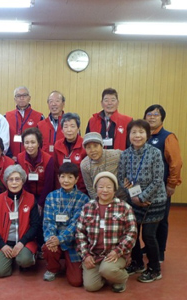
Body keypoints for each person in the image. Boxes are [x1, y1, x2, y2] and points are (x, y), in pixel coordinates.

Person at [118, 119, 167, 283]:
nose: (137, 135)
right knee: (133, 234)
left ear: (147, 134)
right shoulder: (125, 154)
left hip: (154, 201)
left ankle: (154, 269)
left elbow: (158, 180)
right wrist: (134, 197)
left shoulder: (155, 153)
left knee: (148, 235)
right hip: (134, 199)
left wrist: (143, 198)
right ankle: (137, 263)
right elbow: (122, 178)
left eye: (141, 132)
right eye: (133, 132)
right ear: (129, 134)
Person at [76, 172, 137, 293]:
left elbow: (132, 233)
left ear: (114, 189)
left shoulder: (124, 207)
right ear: (95, 189)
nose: (105, 190)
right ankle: (106, 274)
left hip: (115, 254)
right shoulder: (87, 207)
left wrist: (117, 251)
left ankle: (121, 278)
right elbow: (79, 233)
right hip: (94, 255)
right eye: (101, 187)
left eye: (109, 187)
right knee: (91, 286)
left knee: (107, 269)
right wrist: (85, 255)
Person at [144, 104, 182, 262]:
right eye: (149, 114)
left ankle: (160, 251)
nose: (152, 117)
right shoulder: (142, 135)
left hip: (161, 188)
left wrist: (172, 184)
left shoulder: (168, 137)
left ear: (162, 118)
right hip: (144, 188)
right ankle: (148, 246)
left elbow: (176, 162)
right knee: (146, 219)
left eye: (156, 114)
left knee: (161, 219)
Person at [42, 163, 89, 286]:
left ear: (77, 179)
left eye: (70, 177)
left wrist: (60, 239)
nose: (66, 180)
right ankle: (53, 268)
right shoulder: (51, 196)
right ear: (58, 178)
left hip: (73, 242)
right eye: (62, 177)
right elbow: (48, 221)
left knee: (76, 281)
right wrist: (51, 239)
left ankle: (70, 264)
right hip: (55, 240)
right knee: (48, 247)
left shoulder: (83, 199)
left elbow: (76, 225)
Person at [0, 165, 39, 278]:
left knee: (25, 260)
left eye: (17, 179)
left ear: (22, 181)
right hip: (4, 242)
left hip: (24, 241)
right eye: (11, 180)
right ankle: (9, 260)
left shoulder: (31, 199)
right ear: (6, 182)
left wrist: (22, 242)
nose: (14, 183)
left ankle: (22, 258)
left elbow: (35, 225)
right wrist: (2, 245)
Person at [17, 127, 55, 208]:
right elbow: (23, 182)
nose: (30, 146)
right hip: (27, 195)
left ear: (38, 143)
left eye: (33, 142)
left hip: (45, 196)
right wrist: (30, 200)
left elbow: (48, 185)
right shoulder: (20, 158)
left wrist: (40, 204)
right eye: (26, 143)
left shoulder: (48, 159)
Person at [80, 132, 123, 200]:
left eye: (95, 146)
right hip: (100, 200)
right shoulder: (84, 165)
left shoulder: (116, 155)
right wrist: (101, 202)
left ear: (102, 145)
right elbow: (90, 188)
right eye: (88, 147)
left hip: (121, 198)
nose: (93, 150)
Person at [5, 86, 44, 160]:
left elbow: (41, 140)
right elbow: (4, 139)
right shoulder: (6, 117)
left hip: (31, 159)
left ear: (29, 98)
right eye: (18, 96)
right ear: (15, 99)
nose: (21, 98)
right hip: (11, 159)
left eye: (24, 95)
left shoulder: (39, 117)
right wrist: (9, 156)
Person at [53, 112, 87, 194]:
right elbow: (56, 168)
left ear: (78, 128)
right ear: (62, 130)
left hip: (80, 189)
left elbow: (86, 171)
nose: (69, 130)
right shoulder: (57, 144)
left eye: (72, 126)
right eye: (66, 126)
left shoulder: (84, 145)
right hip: (62, 188)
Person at [37, 91, 66, 157]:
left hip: (64, 163)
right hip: (45, 162)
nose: (53, 104)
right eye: (51, 101)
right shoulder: (40, 125)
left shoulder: (70, 124)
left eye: (57, 101)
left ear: (63, 104)